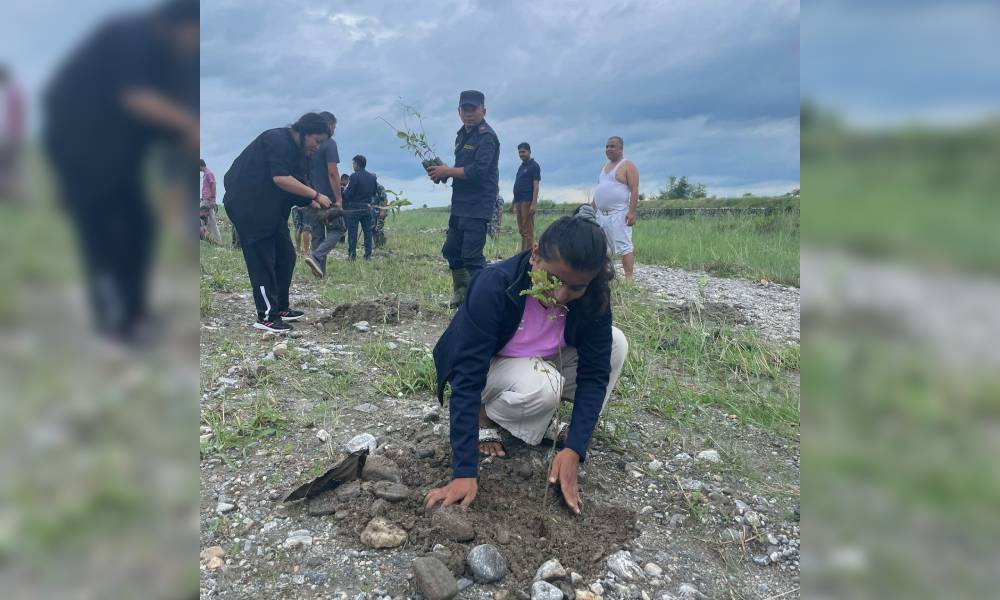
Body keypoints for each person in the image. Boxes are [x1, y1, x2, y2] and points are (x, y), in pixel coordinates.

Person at [426, 205, 629, 514]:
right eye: (552, 279)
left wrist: (575, 447)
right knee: (546, 384)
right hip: (489, 372)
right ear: (535, 254)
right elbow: (467, 378)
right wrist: (464, 472)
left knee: (616, 343)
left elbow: (595, 372)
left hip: (540, 365)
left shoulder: (593, 295)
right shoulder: (494, 284)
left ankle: (546, 424)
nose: (560, 295)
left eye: (575, 287)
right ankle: (486, 416)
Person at [42, 0, 200, 346]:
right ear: (182, 24)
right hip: (79, 140)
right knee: (102, 229)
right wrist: (189, 126)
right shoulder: (131, 35)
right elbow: (135, 97)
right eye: (198, 34)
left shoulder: (168, 56)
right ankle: (112, 319)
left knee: (140, 226)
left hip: (119, 151)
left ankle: (133, 312)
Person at [222, 112, 333, 333]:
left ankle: (281, 308)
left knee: (286, 256)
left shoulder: (300, 154)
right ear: (303, 132)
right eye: (317, 141)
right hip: (248, 207)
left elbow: (296, 186)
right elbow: (281, 179)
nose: (317, 147)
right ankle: (266, 317)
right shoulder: (276, 140)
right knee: (263, 260)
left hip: (270, 209)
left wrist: (315, 203)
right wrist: (316, 196)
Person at [426, 90, 500, 308]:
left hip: (478, 205)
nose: (468, 114)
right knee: (451, 250)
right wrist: (441, 173)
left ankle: (481, 302)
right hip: (460, 203)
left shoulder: (487, 137)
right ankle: (462, 294)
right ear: (458, 111)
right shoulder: (462, 135)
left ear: (483, 110)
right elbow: (461, 170)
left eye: (473, 109)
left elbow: (478, 171)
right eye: (464, 109)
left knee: (472, 255)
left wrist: (448, 171)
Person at [303, 112, 346, 278]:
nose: (334, 131)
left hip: (312, 196)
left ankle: (319, 274)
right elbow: (333, 172)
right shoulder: (330, 144)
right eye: (334, 127)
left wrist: (311, 197)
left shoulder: (308, 146)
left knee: (317, 234)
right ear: (328, 126)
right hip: (328, 198)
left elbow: (303, 174)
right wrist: (339, 199)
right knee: (338, 230)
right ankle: (316, 255)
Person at [593, 136, 639, 283]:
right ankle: (604, 277)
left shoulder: (627, 165)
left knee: (624, 246)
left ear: (621, 148)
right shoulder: (604, 167)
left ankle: (629, 279)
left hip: (619, 214)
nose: (608, 149)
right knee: (601, 247)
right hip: (601, 215)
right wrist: (590, 209)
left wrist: (631, 212)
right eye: (607, 146)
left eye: (612, 146)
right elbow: (599, 190)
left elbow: (634, 190)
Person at [342, 154, 378, 261]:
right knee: (368, 232)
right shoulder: (372, 177)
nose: (353, 165)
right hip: (367, 208)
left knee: (352, 232)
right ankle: (368, 255)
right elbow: (374, 192)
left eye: (353, 163)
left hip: (354, 208)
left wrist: (343, 192)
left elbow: (348, 194)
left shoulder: (354, 176)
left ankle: (352, 255)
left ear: (357, 164)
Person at [0, 64, 25, 199]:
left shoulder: (12, 92)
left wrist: (6, 135)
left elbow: (12, 118)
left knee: (7, 166)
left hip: (12, 135)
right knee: (9, 166)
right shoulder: (15, 91)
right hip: (15, 135)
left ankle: (13, 195)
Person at [511, 142, 541, 251]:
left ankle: (528, 255)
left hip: (527, 201)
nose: (521, 154)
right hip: (518, 201)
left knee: (528, 230)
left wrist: (534, 204)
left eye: (523, 152)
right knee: (522, 230)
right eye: (519, 152)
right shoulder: (521, 167)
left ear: (529, 151)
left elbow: (536, 186)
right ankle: (522, 253)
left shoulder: (534, 166)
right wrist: (513, 203)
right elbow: (518, 185)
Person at [199, 159, 222, 244]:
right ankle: (206, 238)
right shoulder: (205, 174)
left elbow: (213, 185)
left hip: (208, 200)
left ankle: (217, 240)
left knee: (211, 221)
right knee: (204, 221)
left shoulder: (209, 174)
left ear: (200, 166)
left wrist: (213, 199)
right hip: (205, 199)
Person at [372, 183, 389, 249]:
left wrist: (382, 211)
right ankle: (376, 244)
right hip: (373, 210)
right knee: (372, 227)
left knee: (379, 227)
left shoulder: (379, 187)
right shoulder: (369, 186)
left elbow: (385, 199)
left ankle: (381, 244)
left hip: (381, 210)